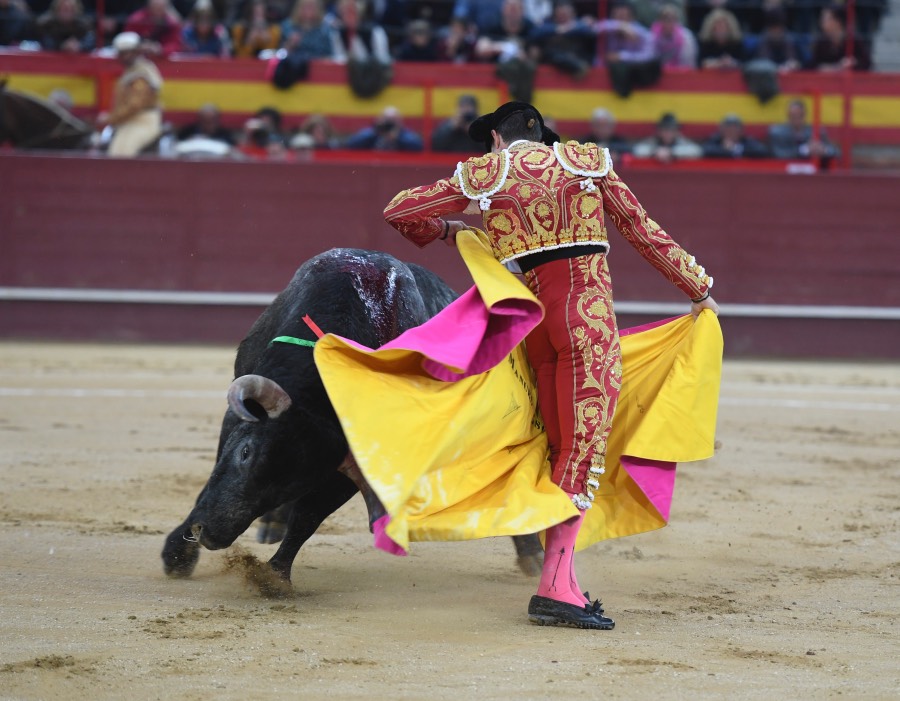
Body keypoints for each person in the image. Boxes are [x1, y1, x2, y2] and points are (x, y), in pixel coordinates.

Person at [382, 101, 717, 629]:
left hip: (535, 329)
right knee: (580, 450)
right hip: (586, 319)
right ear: (543, 137)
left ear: (495, 139)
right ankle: (556, 586)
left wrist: (449, 230)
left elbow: (400, 210)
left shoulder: (489, 175)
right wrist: (698, 289)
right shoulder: (587, 164)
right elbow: (640, 230)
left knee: (559, 446)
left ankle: (560, 579)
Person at [97, 31, 163, 157]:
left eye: (128, 52)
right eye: (121, 53)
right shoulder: (133, 70)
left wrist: (110, 119)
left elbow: (134, 105)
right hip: (129, 121)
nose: (125, 56)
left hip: (142, 122)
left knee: (122, 153)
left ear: (136, 52)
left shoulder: (141, 74)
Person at [767, 98, 838, 161]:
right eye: (793, 115)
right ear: (788, 115)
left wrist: (824, 150)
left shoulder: (816, 131)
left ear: (804, 115)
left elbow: (835, 151)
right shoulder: (777, 132)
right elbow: (776, 154)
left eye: (800, 115)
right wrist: (804, 150)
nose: (796, 118)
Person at [809, 4, 871, 72]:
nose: (821, 22)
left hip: (849, 81)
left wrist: (854, 62)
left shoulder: (854, 41)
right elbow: (812, 66)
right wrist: (830, 68)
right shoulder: (821, 41)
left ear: (837, 22)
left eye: (825, 19)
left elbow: (866, 64)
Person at [344, 105, 423, 151]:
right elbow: (352, 143)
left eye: (392, 121)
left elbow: (418, 146)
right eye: (386, 120)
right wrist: (376, 131)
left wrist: (398, 137)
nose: (389, 125)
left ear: (399, 122)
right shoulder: (374, 132)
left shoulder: (403, 134)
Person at [632, 112, 702, 162]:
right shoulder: (653, 141)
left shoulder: (681, 141)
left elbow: (696, 151)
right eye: (665, 130)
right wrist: (655, 152)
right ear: (659, 131)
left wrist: (672, 152)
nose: (668, 133)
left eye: (672, 130)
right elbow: (637, 150)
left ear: (677, 132)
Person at [650, 2, 697, 69]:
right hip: (658, 72)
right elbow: (651, 57)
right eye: (665, 18)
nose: (669, 22)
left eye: (672, 18)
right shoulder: (652, 36)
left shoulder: (686, 36)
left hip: (680, 71)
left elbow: (689, 61)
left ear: (677, 20)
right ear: (660, 20)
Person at [701, 114, 770, 158]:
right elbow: (706, 151)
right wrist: (725, 150)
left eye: (735, 128)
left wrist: (735, 148)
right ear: (721, 130)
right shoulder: (715, 140)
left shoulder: (747, 141)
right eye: (728, 128)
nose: (731, 131)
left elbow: (762, 151)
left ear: (741, 131)